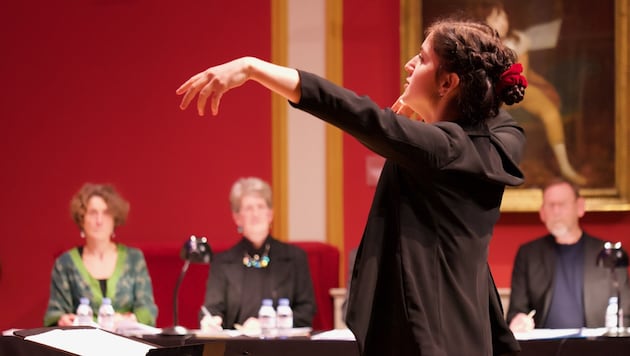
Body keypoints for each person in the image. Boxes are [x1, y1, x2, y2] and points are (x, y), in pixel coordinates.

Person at [177, 18, 526, 355]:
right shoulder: (494, 146)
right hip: (466, 334)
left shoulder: (440, 149)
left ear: (447, 82)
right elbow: (497, 114)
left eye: (421, 59)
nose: (408, 65)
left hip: (427, 338)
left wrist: (254, 68)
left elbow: (355, 111)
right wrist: (433, 103)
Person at [467, 0, 586, 185]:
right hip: (494, 94)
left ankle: (565, 166)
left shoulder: (518, 41)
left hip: (522, 88)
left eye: (504, 16)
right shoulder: (479, 45)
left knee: (550, 111)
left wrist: (544, 85)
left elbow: (525, 72)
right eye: (497, 17)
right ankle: (488, 168)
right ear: (484, 22)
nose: (503, 21)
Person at [507, 178, 630, 332]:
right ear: (542, 213)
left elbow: (625, 311)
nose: (556, 211)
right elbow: (515, 311)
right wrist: (518, 320)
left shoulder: (609, 254)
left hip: (596, 348)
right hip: (544, 349)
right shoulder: (529, 254)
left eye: (562, 204)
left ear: (580, 207)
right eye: (551, 205)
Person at [199, 177, 316, 331]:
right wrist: (211, 320)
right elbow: (212, 309)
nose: (255, 213)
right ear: (237, 218)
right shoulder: (222, 262)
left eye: (260, 206)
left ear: (270, 214)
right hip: (236, 349)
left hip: (282, 347)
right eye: (248, 208)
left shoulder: (295, 258)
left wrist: (268, 324)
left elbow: (306, 311)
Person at [44, 183, 158, 327]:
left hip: (127, 342)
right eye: (92, 213)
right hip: (80, 344)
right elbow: (54, 314)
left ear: (115, 218)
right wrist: (63, 320)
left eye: (106, 213)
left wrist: (129, 319)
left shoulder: (134, 259)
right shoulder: (65, 263)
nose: (99, 221)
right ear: (81, 219)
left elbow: (147, 311)